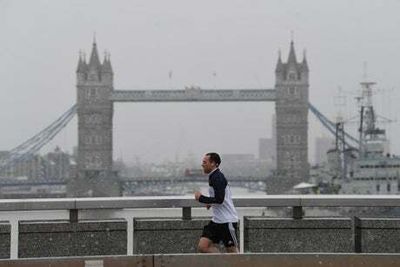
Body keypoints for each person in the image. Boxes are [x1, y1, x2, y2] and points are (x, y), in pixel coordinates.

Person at [194, 152, 239, 253]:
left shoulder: (217, 177)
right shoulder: (213, 176)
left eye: (204, 162)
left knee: (232, 252)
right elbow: (217, 196)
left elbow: (219, 199)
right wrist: (210, 202)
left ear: (213, 163)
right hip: (216, 221)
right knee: (203, 247)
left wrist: (201, 198)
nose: (202, 164)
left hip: (227, 221)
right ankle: (222, 262)